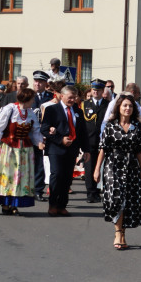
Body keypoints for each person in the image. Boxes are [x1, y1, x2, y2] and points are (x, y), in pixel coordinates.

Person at [94, 94, 141, 250]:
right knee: (115, 198)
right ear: (119, 107)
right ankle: (117, 232)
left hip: (131, 166)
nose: (127, 108)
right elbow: (103, 149)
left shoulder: (137, 127)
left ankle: (123, 233)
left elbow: (139, 151)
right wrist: (97, 169)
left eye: (130, 106)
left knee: (128, 200)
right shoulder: (111, 126)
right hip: (113, 165)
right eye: (124, 105)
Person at [0, 87, 44, 214]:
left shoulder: (30, 113)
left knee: (20, 177)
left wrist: (39, 142)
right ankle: (5, 204)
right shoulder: (9, 109)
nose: (34, 100)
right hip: (9, 148)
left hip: (24, 150)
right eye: (32, 98)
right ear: (27, 99)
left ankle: (14, 203)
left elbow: (35, 131)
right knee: (8, 175)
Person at [40, 86, 87, 216]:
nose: (72, 100)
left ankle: (62, 206)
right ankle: (53, 205)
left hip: (72, 149)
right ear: (62, 96)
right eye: (70, 97)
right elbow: (44, 129)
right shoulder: (51, 110)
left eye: (74, 97)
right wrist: (60, 139)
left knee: (67, 178)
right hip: (56, 148)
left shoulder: (78, 111)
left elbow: (83, 132)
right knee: (56, 174)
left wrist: (86, 150)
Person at [80, 79, 109, 204]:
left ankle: (99, 191)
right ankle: (91, 193)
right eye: (93, 90)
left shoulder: (108, 105)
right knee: (90, 167)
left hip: (104, 141)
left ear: (103, 91)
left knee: (103, 168)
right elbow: (81, 124)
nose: (95, 92)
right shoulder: (84, 104)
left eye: (98, 90)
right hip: (89, 141)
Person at [30, 71, 50, 201]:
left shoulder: (50, 97)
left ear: (45, 84)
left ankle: (38, 190)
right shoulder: (28, 96)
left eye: (40, 82)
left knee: (41, 164)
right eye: (36, 81)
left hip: (44, 135)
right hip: (29, 134)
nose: (37, 84)